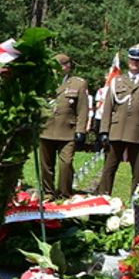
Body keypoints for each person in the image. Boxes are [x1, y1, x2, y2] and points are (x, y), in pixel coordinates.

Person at [96, 45, 139, 196]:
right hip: (116, 131)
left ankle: (135, 204)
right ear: (128, 60)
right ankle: (103, 200)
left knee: (138, 173)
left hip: (138, 132)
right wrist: (104, 130)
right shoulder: (116, 81)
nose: (135, 63)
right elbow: (108, 108)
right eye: (133, 59)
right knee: (108, 169)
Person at [38, 53, 90, 198]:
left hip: (67, 131)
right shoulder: (44, 82)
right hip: (46, 129)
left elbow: (82, 109)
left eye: (61, 65)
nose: (58, 69)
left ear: (68, 66)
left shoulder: (78, 83)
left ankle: (64, 192)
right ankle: (48, 192)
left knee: (66, 163)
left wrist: (81, 129)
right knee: (46, 165)